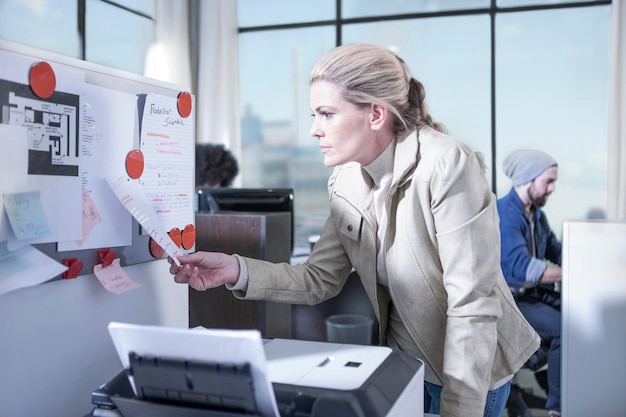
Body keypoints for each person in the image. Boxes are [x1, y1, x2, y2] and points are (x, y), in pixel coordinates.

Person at [170, 43, 539, 417]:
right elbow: (318, 279)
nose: (314, 130)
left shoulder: (446, 165)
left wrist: (459, 410)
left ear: (376, 114)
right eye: (314, 114)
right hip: (405, 367)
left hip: (467, 376)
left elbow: (471, 305)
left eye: (326, 114)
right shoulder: (345, 181)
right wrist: (234, 268)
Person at [496, 149, 562, 417]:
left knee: (579, 314)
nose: (553, 188)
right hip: (511, 299)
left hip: (532, 295)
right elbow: (522, 268)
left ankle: (545, 369)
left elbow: (556, 250)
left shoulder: (535, 214)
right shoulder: (505, 213)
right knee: (563, 329)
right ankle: (559, 408)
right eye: (548, 181)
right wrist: (568, 273)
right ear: (527, 179)